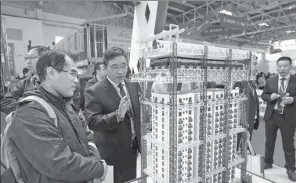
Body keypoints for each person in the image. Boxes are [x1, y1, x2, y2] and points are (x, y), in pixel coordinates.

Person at [5, 51, 108, 182]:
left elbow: (88, 139)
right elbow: (59, 163)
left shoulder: (66, 105)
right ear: (51, 73)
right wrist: (99, 168)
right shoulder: (30, 112)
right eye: (72, 73)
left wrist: (93, 165)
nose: (76, 80)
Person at [85, 47, 141, 183]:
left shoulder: (133, 85)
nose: (120, 71)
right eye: (114, 67)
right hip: (111, 151)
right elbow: (93, 121)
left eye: (123, 66)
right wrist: (117, 115)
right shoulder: (94, 91)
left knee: (130, 179)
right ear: (105, 68)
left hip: (132, 148)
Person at [261, 56, 296, 181]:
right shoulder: (271, 80)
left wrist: (293, 99)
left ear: (290, 66)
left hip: (288, 117)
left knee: (288, 144)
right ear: (276, 66)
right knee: (269, 142)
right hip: (272, 116)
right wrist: (270, 97)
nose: (282, 68)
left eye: (285, 66)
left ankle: (291, 169)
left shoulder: (295, 80)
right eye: (279, 66)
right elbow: (264, 95)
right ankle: (268, 161)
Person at [0, 46, 49, 114]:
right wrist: (27, 109)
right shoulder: (24, 83)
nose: (28, 61)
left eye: (31, 57)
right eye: (27, 58)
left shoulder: (54, 83)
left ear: (44, 59)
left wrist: (22, 100)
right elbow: (5, 102)